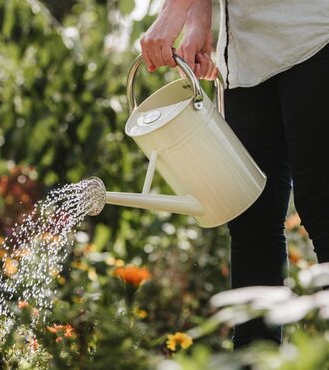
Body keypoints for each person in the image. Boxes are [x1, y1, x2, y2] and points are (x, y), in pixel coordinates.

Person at [140, 0, 329, 348]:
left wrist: (173, 12)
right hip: (243, 58)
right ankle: (253, 359)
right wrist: (200, 22)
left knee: (323, 205)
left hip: (314, 35)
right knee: (251, 220)